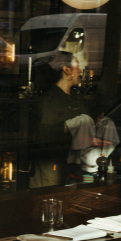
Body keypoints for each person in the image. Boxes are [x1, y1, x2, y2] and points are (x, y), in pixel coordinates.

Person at [30, 51, 95, 188]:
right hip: (52, 166)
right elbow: (42, 136)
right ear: (66, 70)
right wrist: (69, 126)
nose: (80, 71)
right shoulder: (49, 101)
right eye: (77, 67)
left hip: (73, 166)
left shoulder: (76, 98)